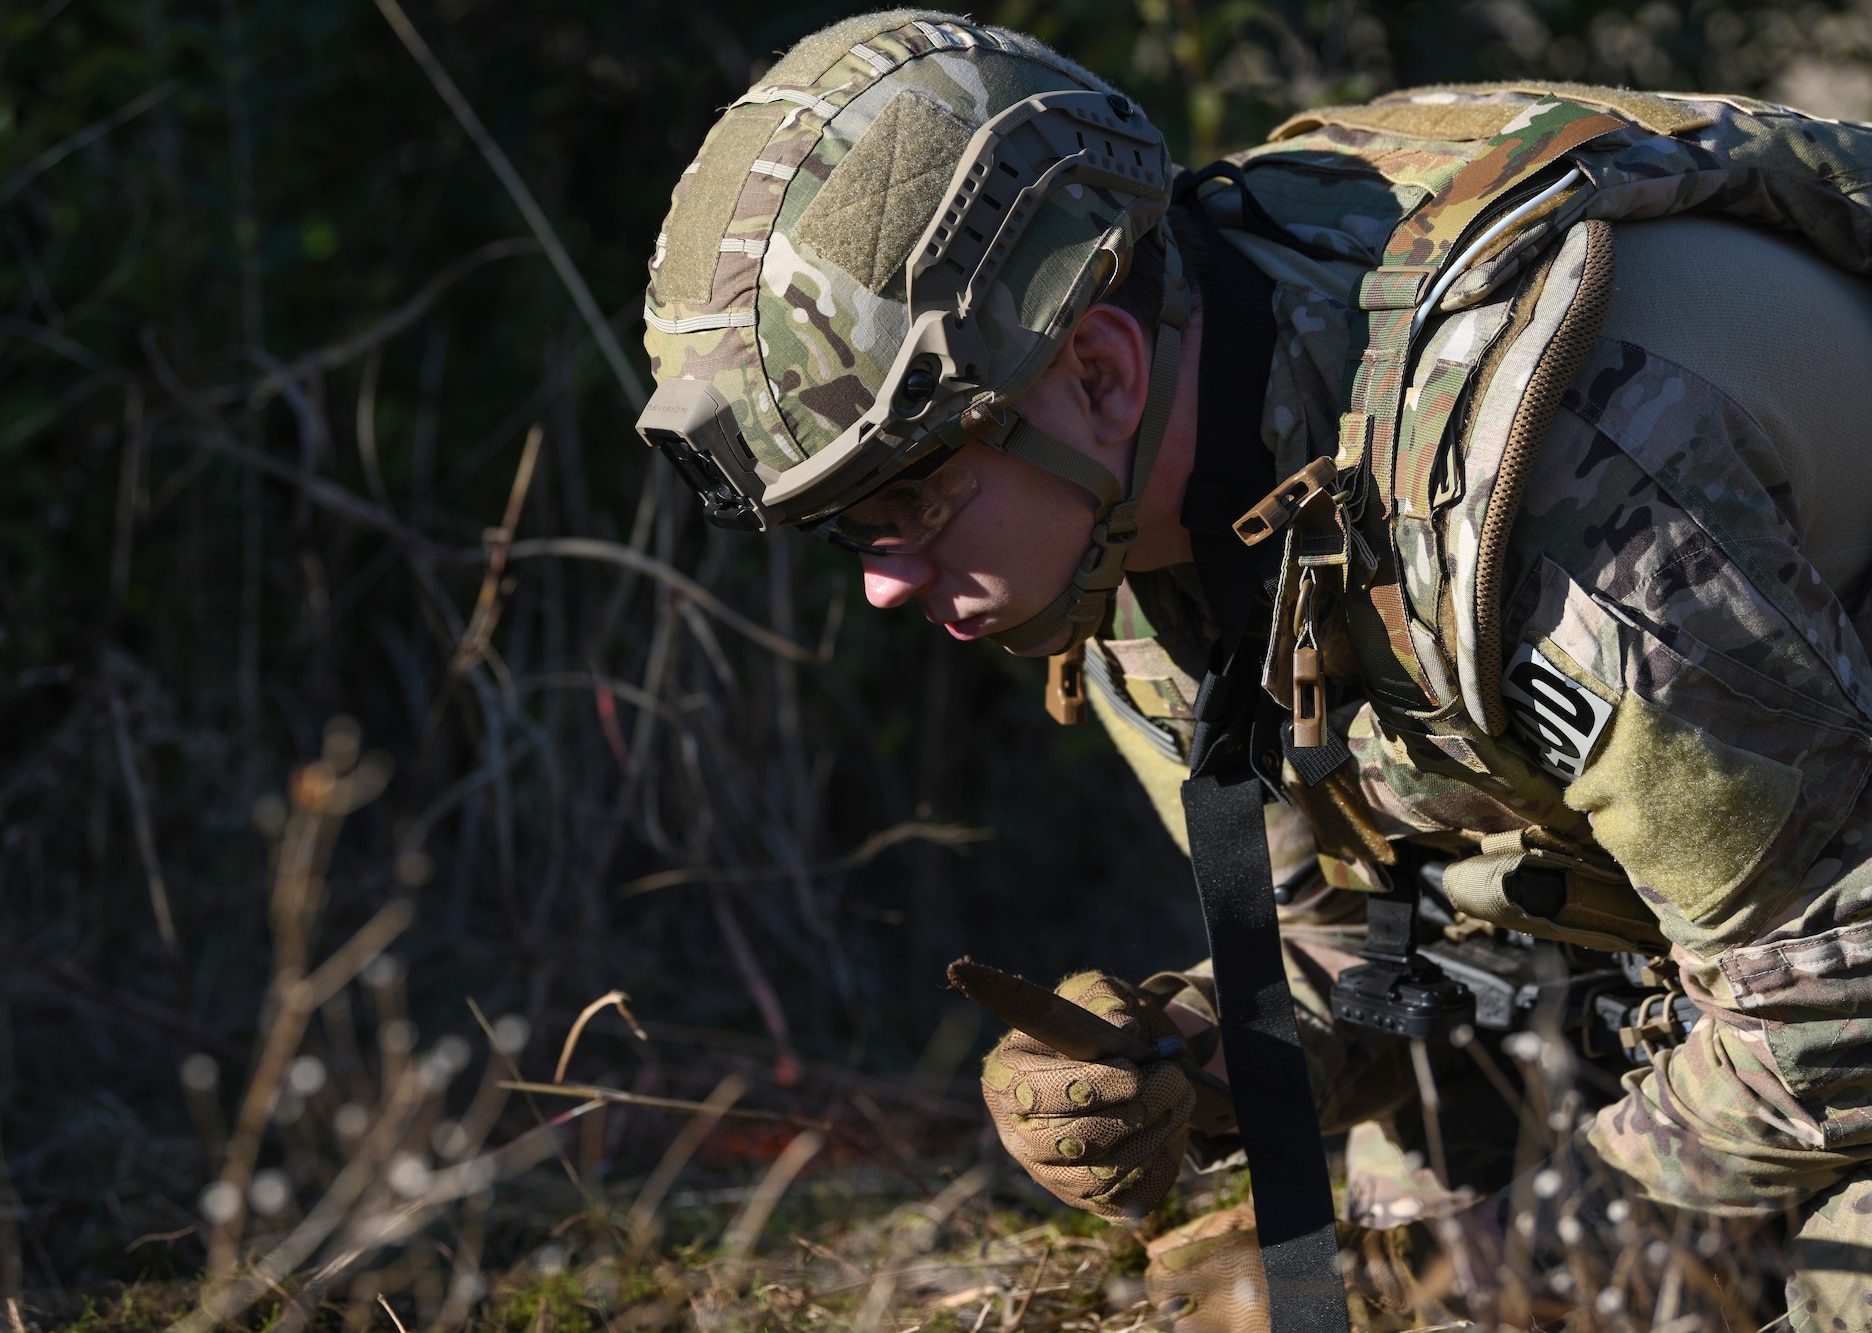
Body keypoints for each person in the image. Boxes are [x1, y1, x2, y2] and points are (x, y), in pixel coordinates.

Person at [634, 10, 1872, 1329]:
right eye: (845, 529)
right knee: (1425, 1199)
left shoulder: (1559, 477)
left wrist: (1483, 1274)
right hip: (1717, 951)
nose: (880, 578)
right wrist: (1197, 1054)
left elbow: (1837, 994)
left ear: (1098, 374)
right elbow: (1401, 934)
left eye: (910, 499)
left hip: (1822, 958)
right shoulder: (1133, 510)